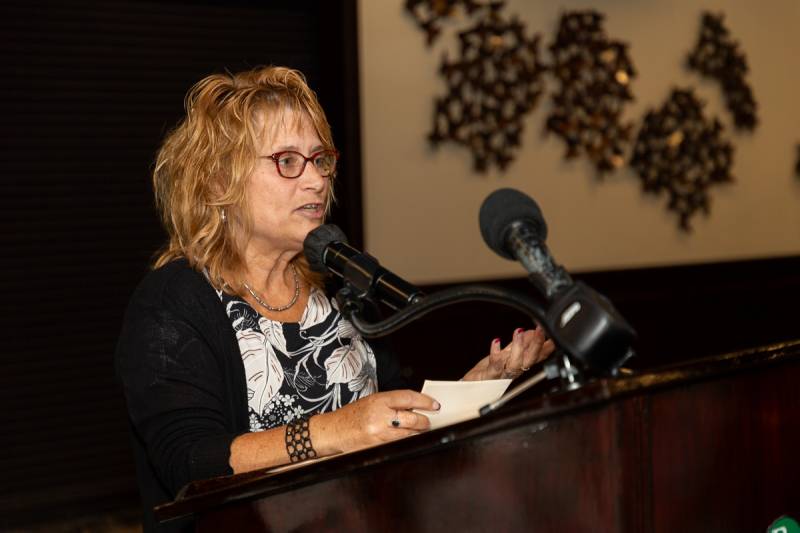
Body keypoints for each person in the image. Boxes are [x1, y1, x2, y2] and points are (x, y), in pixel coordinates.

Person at [115, 65, 555, 532]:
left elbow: (387, 427)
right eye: (287, 161)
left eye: (320, 159)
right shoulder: (173, 302)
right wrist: (335, 431)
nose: (316, 181)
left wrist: (482, 381)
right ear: (220, 181)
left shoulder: (340, 290)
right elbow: (189, 461)